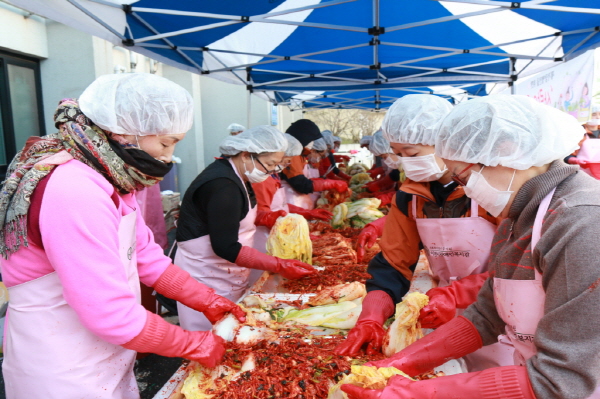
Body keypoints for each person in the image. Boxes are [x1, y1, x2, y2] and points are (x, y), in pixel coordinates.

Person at [0, 74, 246, 399]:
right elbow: (107, 311)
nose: (168, 157)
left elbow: (146, 257)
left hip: (107, 355)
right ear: (124, 132)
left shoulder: (110, 179)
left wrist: (206, 299)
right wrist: (192, 343)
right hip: (61, 368)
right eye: (165, 143)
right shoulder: (73, 189)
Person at [343, 95, 600, 399]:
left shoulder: (581, 222)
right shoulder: (518, 217)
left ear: (506, 153)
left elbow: (562, 379)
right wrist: (400, 363)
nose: (466, 191)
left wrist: (417, 393)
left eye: (465, 177)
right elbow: (488, 314)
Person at [335, 94, 513, 372]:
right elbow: (393, 265)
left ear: (447, 141)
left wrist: (457, 295)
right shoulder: (411, 196)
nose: (406, 162)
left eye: (412, 153)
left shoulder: (491, 189)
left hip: (507, 312)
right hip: (442, 314)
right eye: (399, 154)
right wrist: (371, 316)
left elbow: (518, 266)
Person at [175, 126, 316, 331]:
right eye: (269, 164)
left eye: (276, 166)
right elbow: (225, 246)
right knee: (211, 336)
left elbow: (235, 217)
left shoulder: (240, 177)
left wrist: (266, 216)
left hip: (226, 272)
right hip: (206, 275)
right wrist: (277, 264)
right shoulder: (223, 185)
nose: (270, 172)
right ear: (246, 155)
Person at [252, 133, 333, 254]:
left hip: (277, 236)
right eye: (286, 161)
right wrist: (295, 232)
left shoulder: (273, 175)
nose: (286, 166)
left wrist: (306, 213)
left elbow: (280, 206)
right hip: (263, 239)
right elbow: (262, 215)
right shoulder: (261, 180)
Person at [281, 119, 348, 209]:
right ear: (304, 137)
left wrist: (323, 181)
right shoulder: (292, 156)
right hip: (291, 201)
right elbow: (301, 184)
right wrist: (329, 183)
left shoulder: (300, 154)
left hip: (298, 201)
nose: (312, 144)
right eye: (311, 141)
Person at [363, 130, 402, 206]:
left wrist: (386, 197)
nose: (385, 161)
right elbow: (397, 182)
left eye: (384, 157)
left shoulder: (413, 167)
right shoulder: (401, 167)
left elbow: (413, 193)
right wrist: (379, 192)